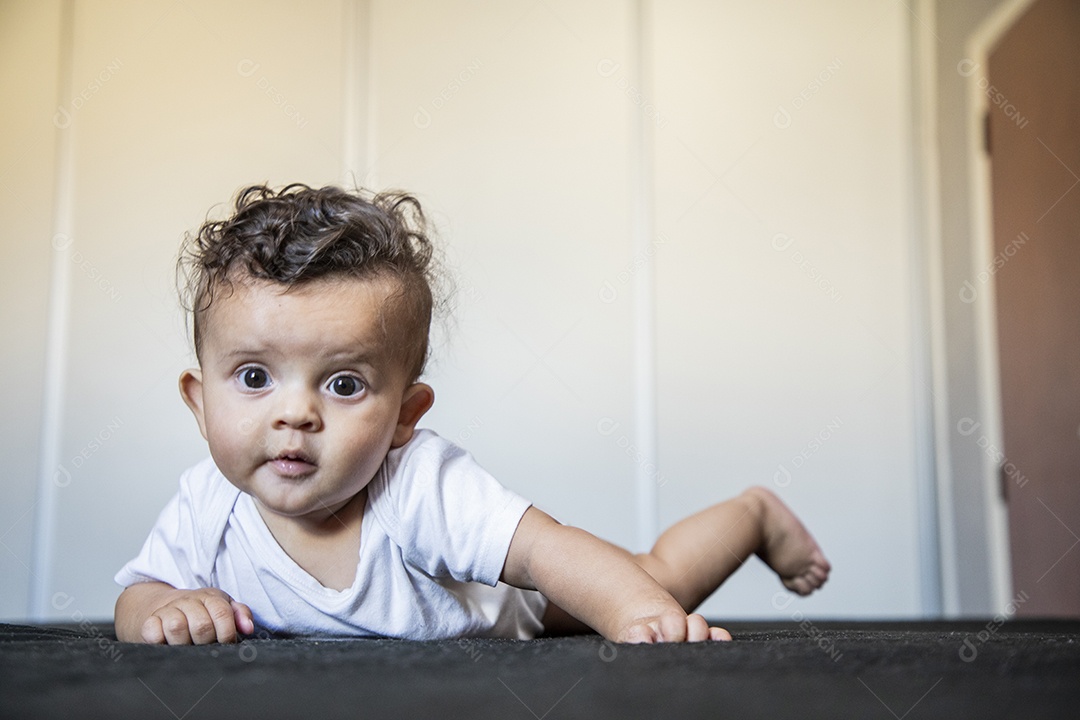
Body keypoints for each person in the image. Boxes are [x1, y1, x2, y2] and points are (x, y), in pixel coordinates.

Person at [113, 184, 830, 645]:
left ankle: (753, 514)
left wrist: (633, 615)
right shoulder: (206, 506)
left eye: (343, 386)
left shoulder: (418, 486)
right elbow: (136, 595)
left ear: (404, 416)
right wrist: (160, 612)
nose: (295, 413)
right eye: (255, 377)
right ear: (200, 402)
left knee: (655, 575)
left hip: (510, 607)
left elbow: (547, 552)